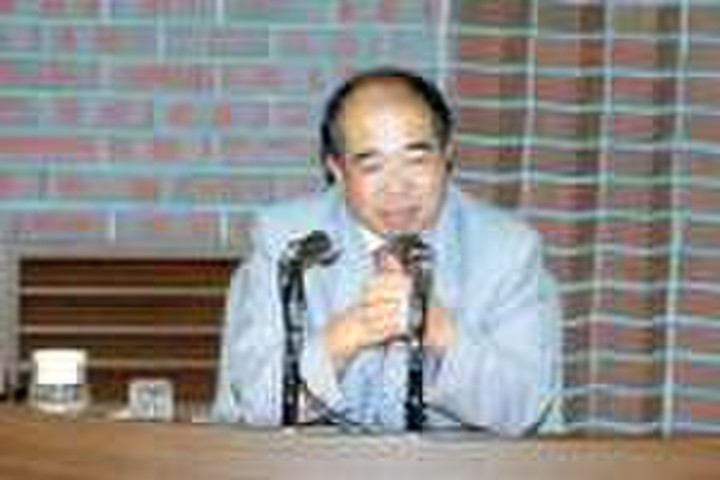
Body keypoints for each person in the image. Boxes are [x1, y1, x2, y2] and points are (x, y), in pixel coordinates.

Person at [212, 67, 562, 435]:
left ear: (447, 154)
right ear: (336, 169)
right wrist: (346, 335)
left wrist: (440, 332)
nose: (397, 187)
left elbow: (525, 408)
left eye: (416, 160)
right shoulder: (289, 243)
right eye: (372, 165)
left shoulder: (507, 249)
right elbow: (258, 403)